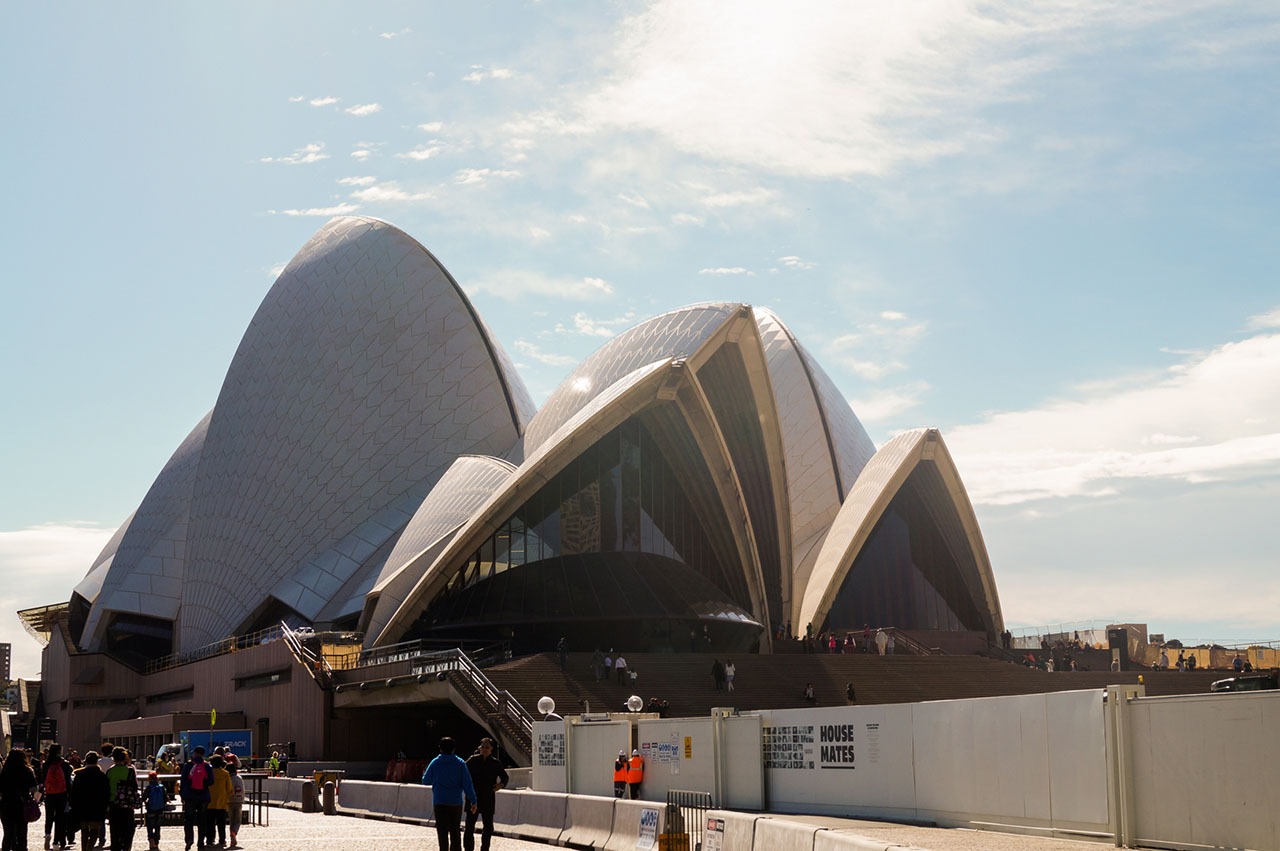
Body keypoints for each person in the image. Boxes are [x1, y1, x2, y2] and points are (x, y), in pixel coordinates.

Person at [421, 737, 476, 851]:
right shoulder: (460, 763)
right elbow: (467, 783)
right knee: (455, 832)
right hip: (455, 802)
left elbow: (425, 780)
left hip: (439, 801)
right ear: (454, 748)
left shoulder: (435, 762)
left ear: (440, 748)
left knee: (442, 832)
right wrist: (473, 800)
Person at [463, 738, 508, 851]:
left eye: (487, 747)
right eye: (482, 747)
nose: (484, 749)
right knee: (469, 827)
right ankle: (468, 848)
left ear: (491, 749)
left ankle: (485, 849)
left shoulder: (495, 763)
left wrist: (500, 785)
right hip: (473, 798)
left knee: (488, 827)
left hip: (488, 797)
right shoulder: (472, 760)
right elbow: (462, 772)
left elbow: (505, 777)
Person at [0, 748, 39, 851]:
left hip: (6, 805)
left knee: (8, 833)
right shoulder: (27, 770)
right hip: (22, 805)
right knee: (22, 833)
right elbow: (34, 788)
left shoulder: (4, 771)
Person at [69, 752, 109, 851]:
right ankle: (90, 848)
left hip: (82, 807)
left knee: (84, 831)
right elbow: (106, 793)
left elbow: (73, 793)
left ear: (86, 761)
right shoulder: (102, 776)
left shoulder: (79, 775)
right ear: (97, 761)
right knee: (95, 831)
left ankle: (84, 849)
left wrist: (73, 806)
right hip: (97, 807)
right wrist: (105, 806)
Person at [104, 748, 138, 851]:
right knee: (128, 830)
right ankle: (126, 848)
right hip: (127, 804)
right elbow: (135, 787)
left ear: (113, 758)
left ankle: (116, 848)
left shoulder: (110, 771)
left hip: (113, 803)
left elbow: (106, 788)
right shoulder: (130, 770)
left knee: (114, 831)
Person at [178, 746, 212, 851]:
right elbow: (211, 781)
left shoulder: (188, 766)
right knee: (202, 820)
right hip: (203, 797)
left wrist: (182, 795)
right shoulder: (207, 766)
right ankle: (201, 842)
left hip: (190, 796)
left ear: (195, 753)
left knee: (188, 819)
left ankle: (189, 839)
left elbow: (183, 781)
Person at [41, 743, 72, 850]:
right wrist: (69, 793)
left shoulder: (46, 764)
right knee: (60, 818)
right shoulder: (64, 764)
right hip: (62, 794)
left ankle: (48, 834)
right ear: (59, 751)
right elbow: (68, 780)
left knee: (49, 817)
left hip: (49, 794)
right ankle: (56, 842)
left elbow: (43, 779)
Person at [206, 756, 232, 848]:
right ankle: (222, 840)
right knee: (221, 824)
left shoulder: (208, 773)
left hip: (209, 803)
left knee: (210, 823)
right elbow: (229, 789)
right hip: (222, 803)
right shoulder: (225, 774)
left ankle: (210, 840)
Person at [142, 772, 166, 851]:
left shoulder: (149, 788)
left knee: (149, 826)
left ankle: (151, 842)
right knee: (157, 827)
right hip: (160, 810)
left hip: (151, 810)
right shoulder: (161, 787)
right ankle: (156, 843)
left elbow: (143, 798)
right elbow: (165, 799)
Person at [225, 764, 244, 849]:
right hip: (238, 800)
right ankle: (234, 832)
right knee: (238, 820)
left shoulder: (228, 778)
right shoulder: (239, 778)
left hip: (229, 801)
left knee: (232, 820)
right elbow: (243, 789)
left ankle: (232, 838)